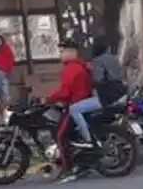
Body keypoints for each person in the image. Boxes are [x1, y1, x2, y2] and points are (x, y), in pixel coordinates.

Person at [45, 39, 94, 180]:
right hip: (83, 102)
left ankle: (68, 168)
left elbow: (64, 92)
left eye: (62, 51)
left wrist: (48, 99)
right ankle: (82, 164)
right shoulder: (81, 65)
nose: (60, 55)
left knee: (60, 135)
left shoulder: (71, 68)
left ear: (72, 52)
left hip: (75, 104)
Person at [70, 36, 127, 148]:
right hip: (120, 92)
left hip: (106, 96)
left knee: (74, 109)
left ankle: (87, 139)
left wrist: (90, 74)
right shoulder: (114, 59)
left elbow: (98, 79)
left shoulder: (97, 61)